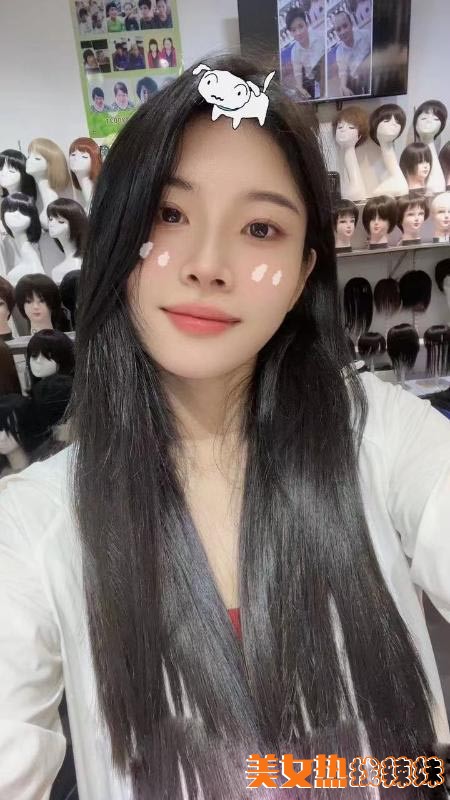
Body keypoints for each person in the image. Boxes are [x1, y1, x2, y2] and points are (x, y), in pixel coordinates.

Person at [1, 53, 450, 800]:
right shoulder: (37, 523)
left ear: (303, 273)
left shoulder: (381, 437)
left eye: (260, 228)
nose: (208, 264)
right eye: (169, 215)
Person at [285, 7, 325, 100]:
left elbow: (325, 69)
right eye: (293, 30)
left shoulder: (320, 40)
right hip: (310, 81)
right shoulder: (294, 51)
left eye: (301, 26)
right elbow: (298, 74)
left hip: (324, 77)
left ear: (306, 24)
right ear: (290, 33)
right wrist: (300, 88)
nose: (298, 33)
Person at [333, 10, 371, 97]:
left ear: (351, 24)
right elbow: (343, 72)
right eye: (338, 29)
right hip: (358, 85)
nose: (342, 32)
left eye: (345, 26)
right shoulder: (339, 51)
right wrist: (343, 86)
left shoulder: (366, 35)